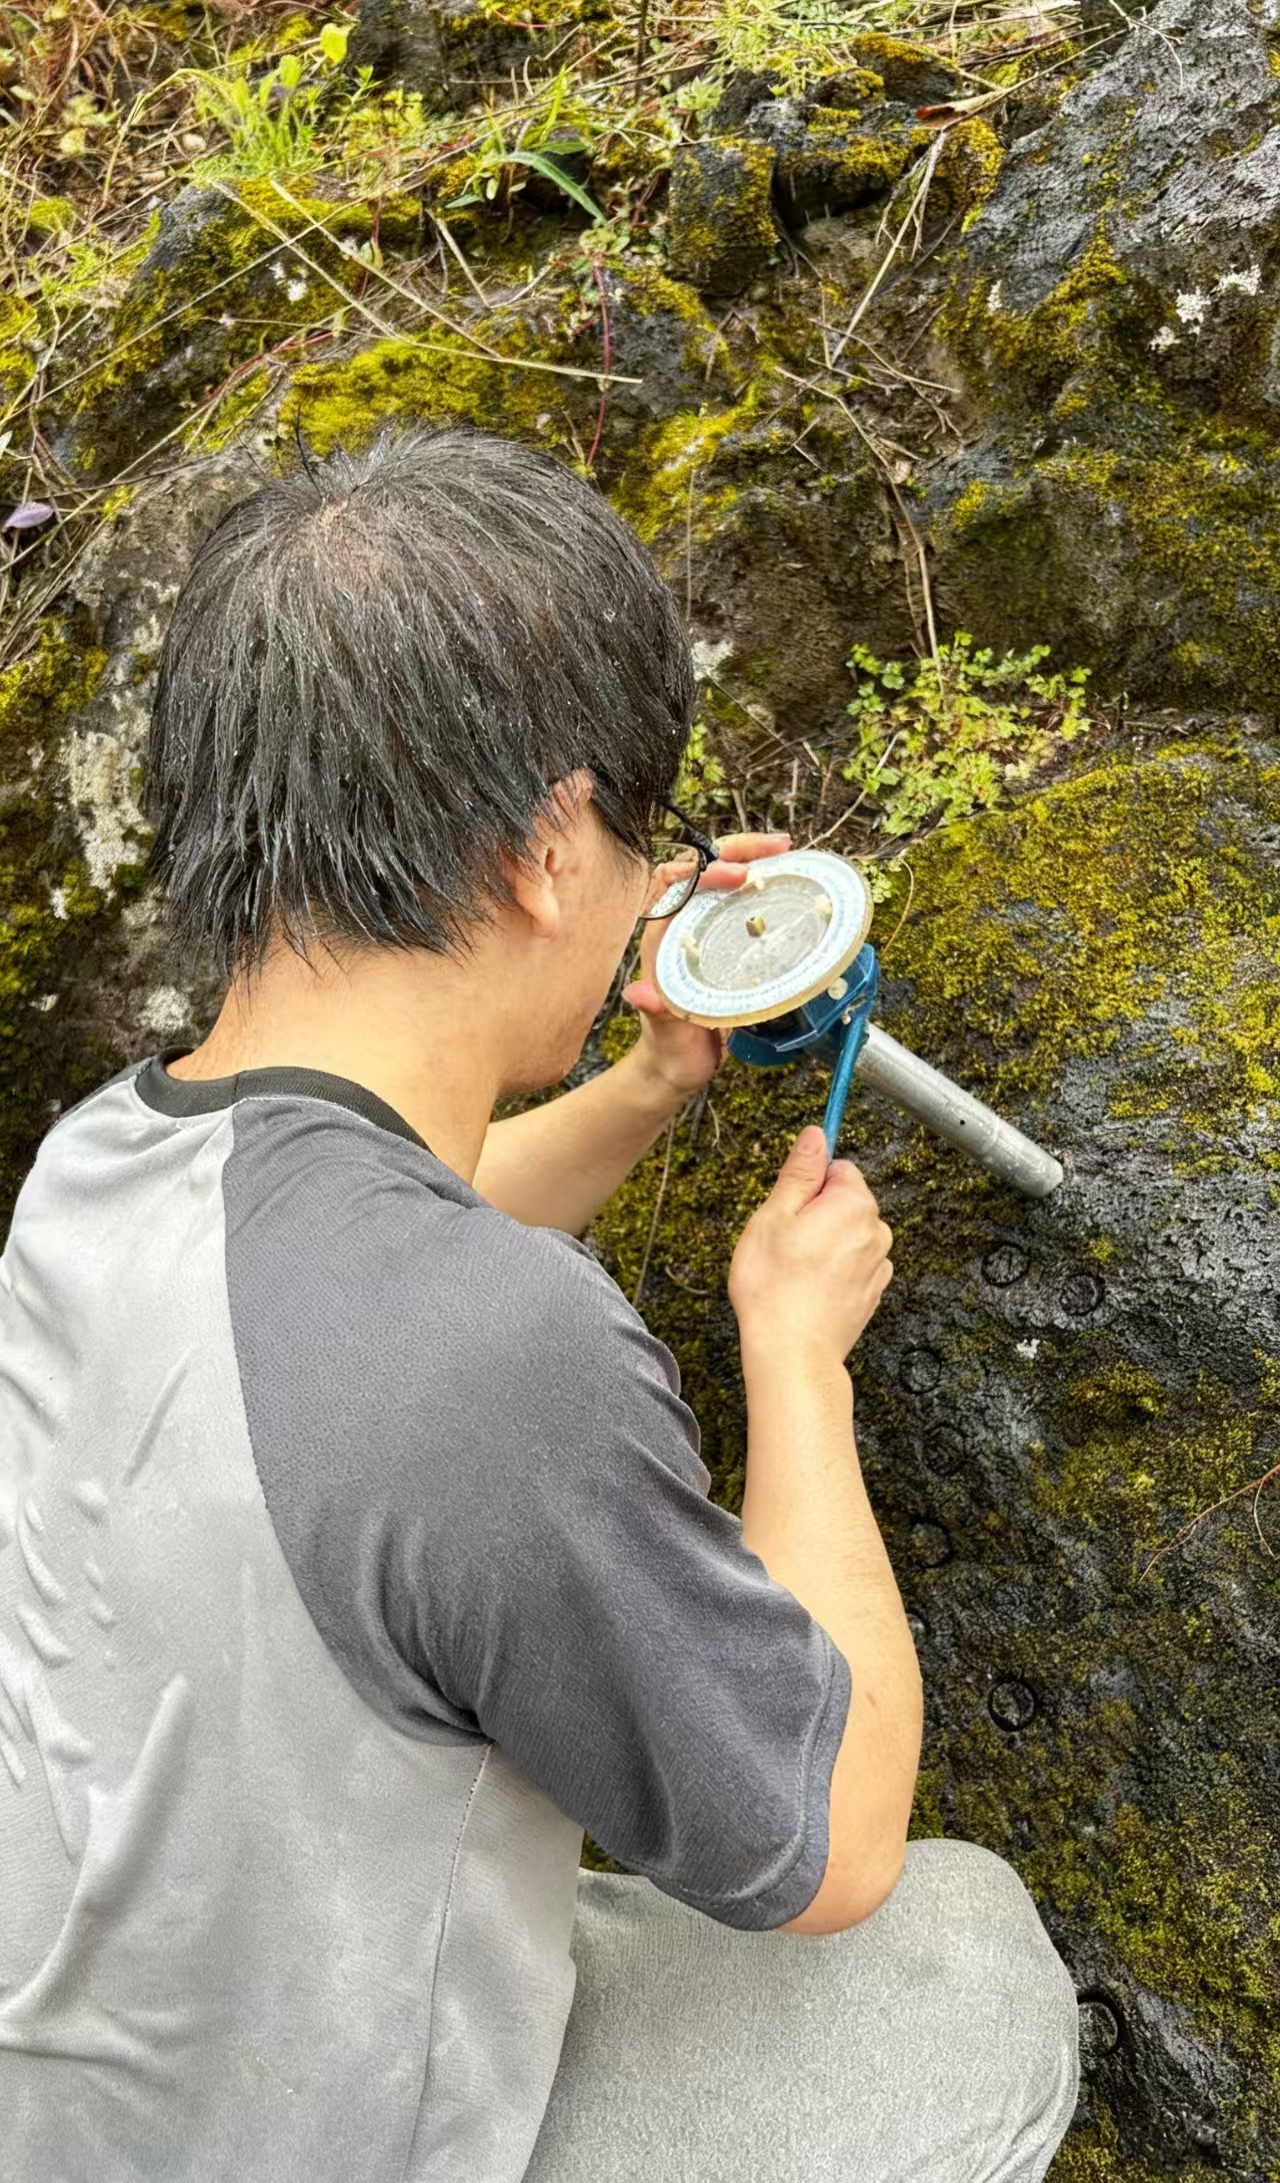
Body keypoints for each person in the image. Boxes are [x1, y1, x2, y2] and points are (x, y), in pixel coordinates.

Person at [0, 424, 1078, 2183]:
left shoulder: (98, 1162)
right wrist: (796, 1356)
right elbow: (829, 1843)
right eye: (642, 833)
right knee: (965, 1969)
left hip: (80, 2084)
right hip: (318, 2140)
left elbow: (336, 1282)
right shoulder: (498, 1356)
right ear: (551, 847)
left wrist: (647, 1081)